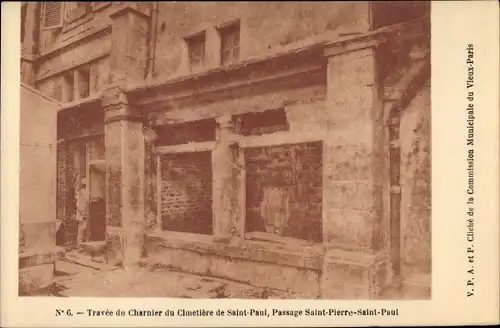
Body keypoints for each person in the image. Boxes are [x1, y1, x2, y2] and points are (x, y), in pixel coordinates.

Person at [75, 177, 89, 246]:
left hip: (85, 213)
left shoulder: (87, 192)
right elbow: (77, 204)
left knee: (85, 229)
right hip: (81, 214)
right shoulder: (81, 192)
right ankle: (79, 244)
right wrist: (82, 212)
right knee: (81, 230)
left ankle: (83, 244)